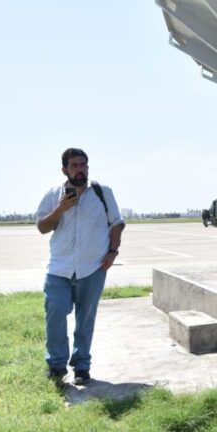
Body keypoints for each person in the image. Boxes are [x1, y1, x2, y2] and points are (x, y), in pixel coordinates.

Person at [35, 148, 125, 385]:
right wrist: (61, 208)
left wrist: (113, 252)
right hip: (59, 268)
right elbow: (42, 227)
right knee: (55, 313)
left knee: (85, 319)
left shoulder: (102, 193)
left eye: (83, 165)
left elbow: (117, 224)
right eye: (74, 166)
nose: (80, 170)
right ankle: (56, 365)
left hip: (92, 268)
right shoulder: (54, 194)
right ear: (64, 169)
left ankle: (82, 367)